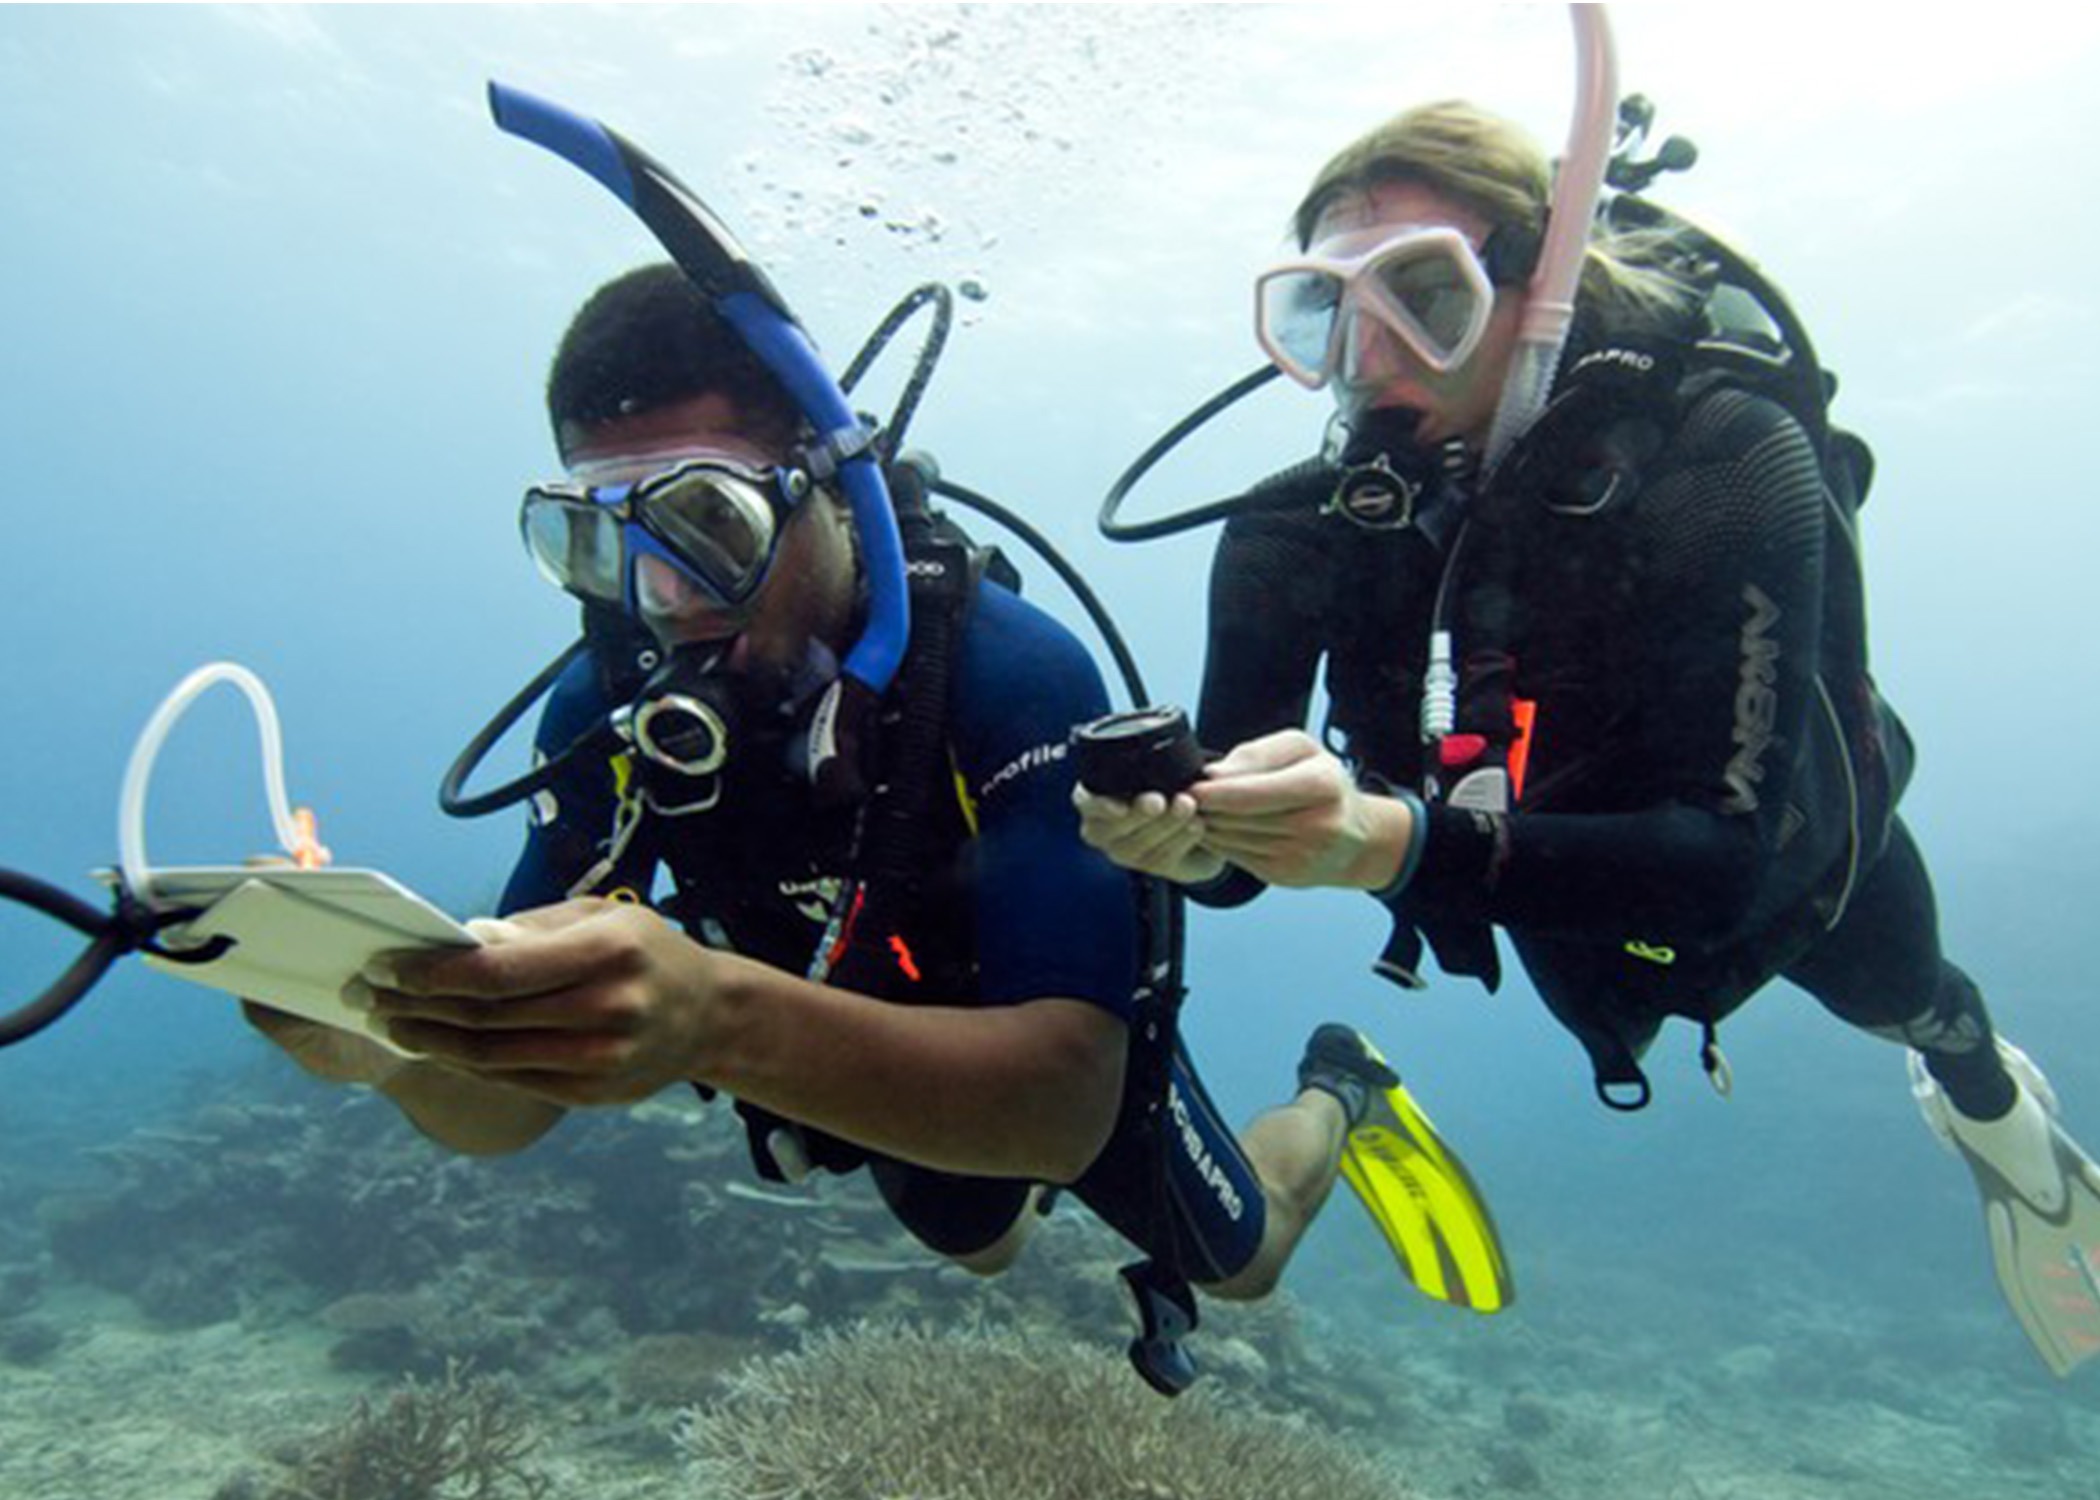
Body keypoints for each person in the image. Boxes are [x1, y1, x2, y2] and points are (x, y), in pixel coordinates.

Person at [248, 263, 1411, 1389]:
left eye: (705, 518)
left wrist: (712, 1016)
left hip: (1043, 1045)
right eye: (596, 539)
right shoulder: (605, 710)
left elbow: (1064, 1102)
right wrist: (387, 1045)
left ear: (828, 483)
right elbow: (506, 1105)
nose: (661, 591)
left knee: (1243, 1260)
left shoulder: (1009, 671)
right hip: (848, 1051)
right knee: (982, 1240)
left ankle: (1335, 1090)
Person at [1077, 100, 2100, 1378]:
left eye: (1420, 295)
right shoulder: (1300, 532)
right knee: (1607, 1000)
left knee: (1909, 1002)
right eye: (1321, 311)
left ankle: (1994, 1112)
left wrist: (1382, 846)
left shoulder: (1724, 459)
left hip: (1790, 867)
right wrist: (1183, 842)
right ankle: (1367, 1080)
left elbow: (1725, 865)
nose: (1367, 355)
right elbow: (1229, 866)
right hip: (1530, 887)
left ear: (1541, 284)